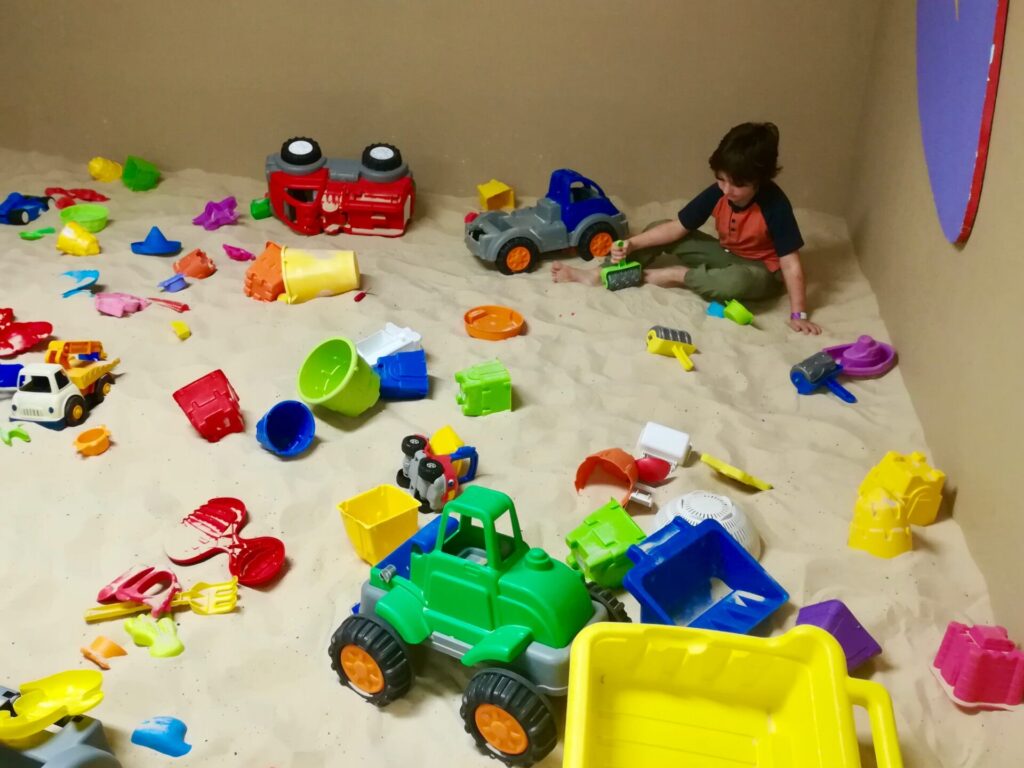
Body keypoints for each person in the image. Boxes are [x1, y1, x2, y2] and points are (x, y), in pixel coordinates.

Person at [551, 122, 822, 334]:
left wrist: (799, 314)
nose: (727, 190)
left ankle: (676, 275)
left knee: (736, 281)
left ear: (760, 180)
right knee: (656, 228)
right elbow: (678, 228)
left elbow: (791, 265)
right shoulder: (721, 192)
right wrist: (632, 244)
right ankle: (599, 274)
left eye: (737, 185)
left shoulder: (774, 204)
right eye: (721, 180)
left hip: (761, 270)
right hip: (725, 254)